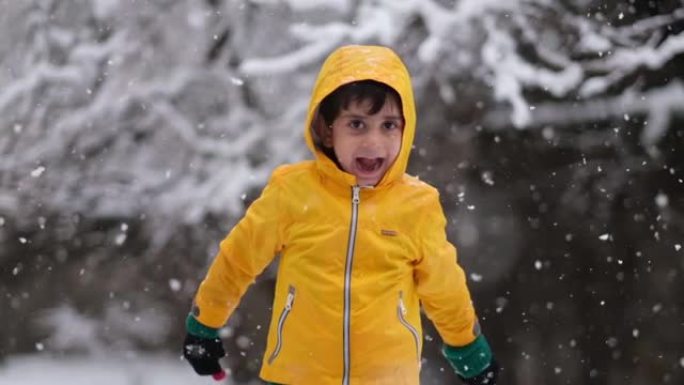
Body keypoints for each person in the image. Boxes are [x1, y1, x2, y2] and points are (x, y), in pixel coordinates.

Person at [182, 45, 499, 385]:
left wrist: (467, 347)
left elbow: (444, 286)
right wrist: (204, 324)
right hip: (297, 375)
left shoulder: (416, 206)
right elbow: (239, 259)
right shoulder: (292, 192)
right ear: (326, 130)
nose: (374, 141)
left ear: (405, 131)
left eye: (389, 125)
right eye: (357, 124)